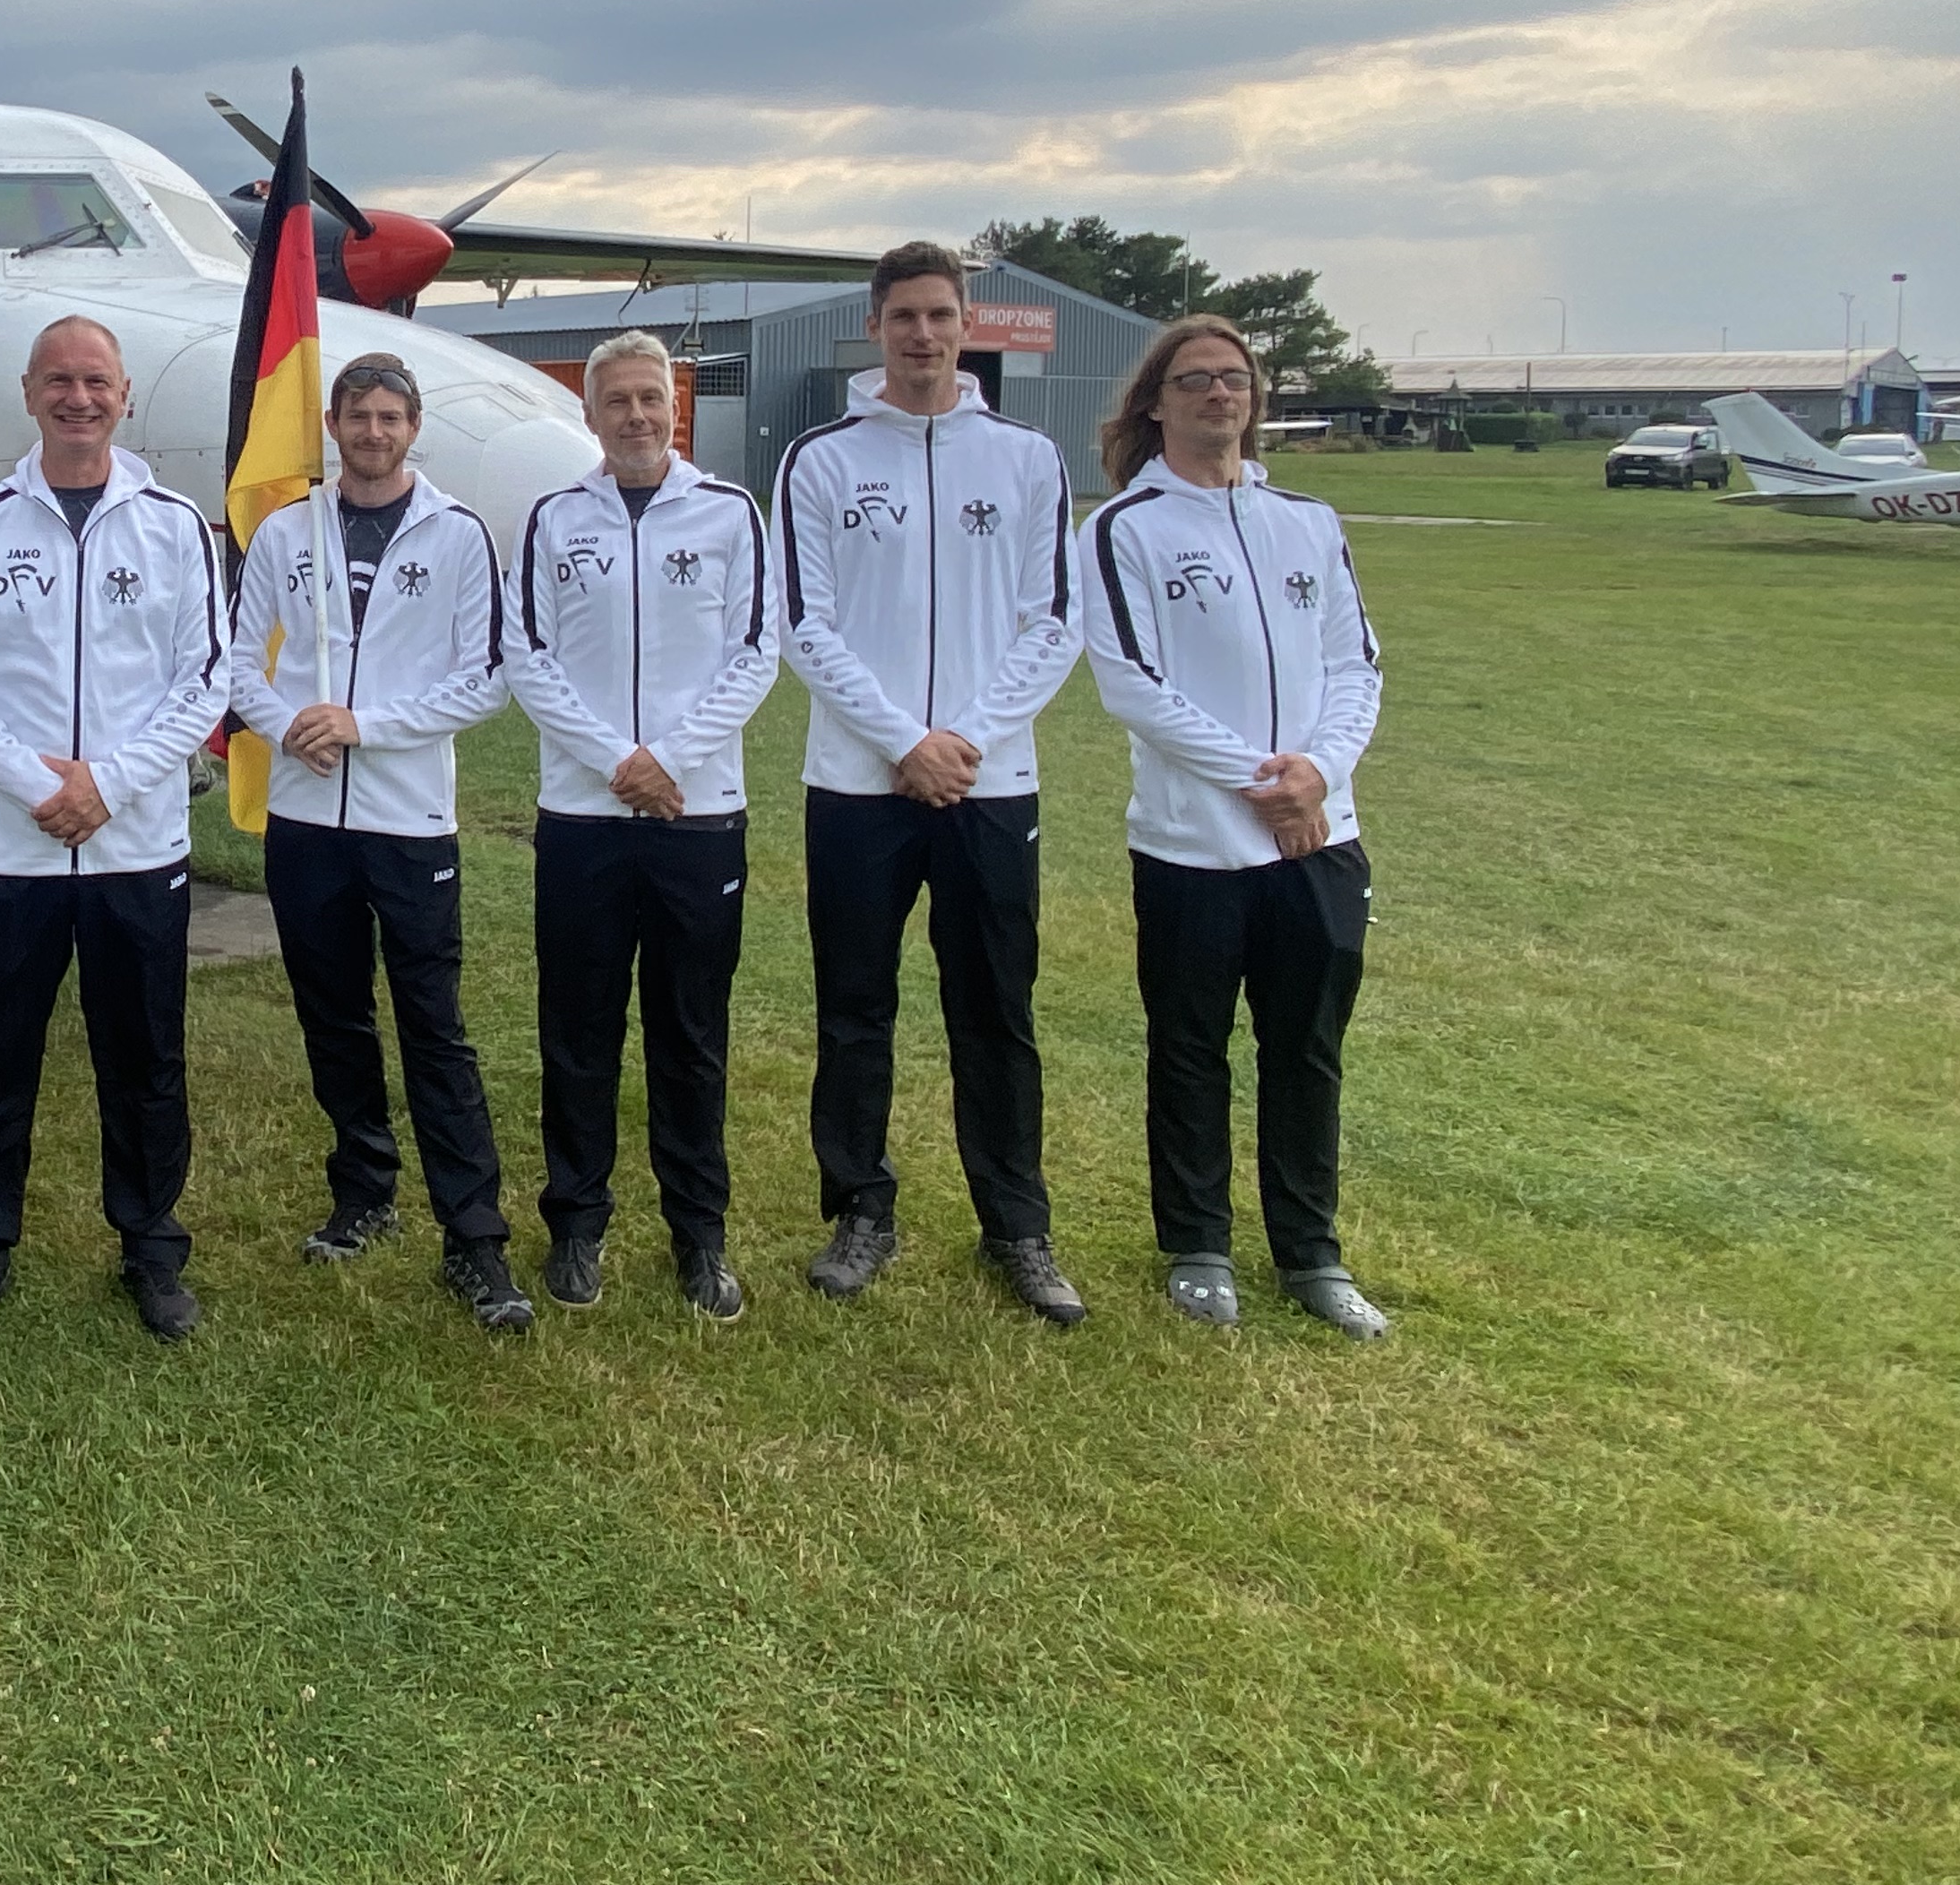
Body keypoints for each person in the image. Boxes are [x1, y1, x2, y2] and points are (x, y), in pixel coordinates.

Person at [773, 239, 1085, 1321]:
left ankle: (1018, 1226)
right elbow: (803, 623)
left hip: (989, 788)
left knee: (995, 1008)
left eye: (940, 316)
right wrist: (904, 740)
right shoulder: (821, 458)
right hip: (859, 786)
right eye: (903, 316)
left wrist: (967, 742)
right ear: (875, 327)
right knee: (855, 1007)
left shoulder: (1027, 457)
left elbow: (1054, 621)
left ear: (967, 325)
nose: (922, 334)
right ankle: (861, 1209)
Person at [0, 315, 228, 1347]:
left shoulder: (175, 526)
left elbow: (205, 681)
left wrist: (112, 784)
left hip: (137, 848)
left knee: (145, 1061)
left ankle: (151, 1246)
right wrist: (34, 785)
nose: (78, 398)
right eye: (59, 380)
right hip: (10, 853)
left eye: (96, 381)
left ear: (124, 395)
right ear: (28, 392)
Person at [1078, 315, 1389, 1339]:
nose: (1219, 394)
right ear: (1156, 403)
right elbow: (1134, 686)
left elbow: (1354, 666)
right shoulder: (1125, 528)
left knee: (1306, 1049)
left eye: (1234, 378)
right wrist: (1262, 784)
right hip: (1195, 845)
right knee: (1191, 1047)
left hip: (1319, 837)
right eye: (1195, 380)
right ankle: (1198, 1245)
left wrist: (1318, 773)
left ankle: (1311, 1252)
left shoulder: (1309, 521)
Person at [229, 351, 531, 1331]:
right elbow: (235, 663)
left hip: (410, 823)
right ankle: (363, 1191)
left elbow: (486, 678)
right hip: (307, 819)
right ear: (332, 424)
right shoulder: (287, 529)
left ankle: (475, 1240)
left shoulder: (458, 534)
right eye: (357, 415)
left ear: (413, 428)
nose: (372, 432)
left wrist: (367, 725)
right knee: (335, 1018)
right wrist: (290, 726)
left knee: (433, 1027)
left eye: (389, 417)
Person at [503, 331, 776, 1320]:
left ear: (675, 407)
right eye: (616, 401)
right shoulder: (553, 518)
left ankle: (699, 1235)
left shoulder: (730, 512)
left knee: (690, 1034)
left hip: (697, 818)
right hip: (584, 818)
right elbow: (527, 656)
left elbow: (756, 653)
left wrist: (673, 761)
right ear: (589, 414)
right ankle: (576, 1226)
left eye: (650, 398)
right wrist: (620, 763)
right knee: (578, 1032)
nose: (636, 416)